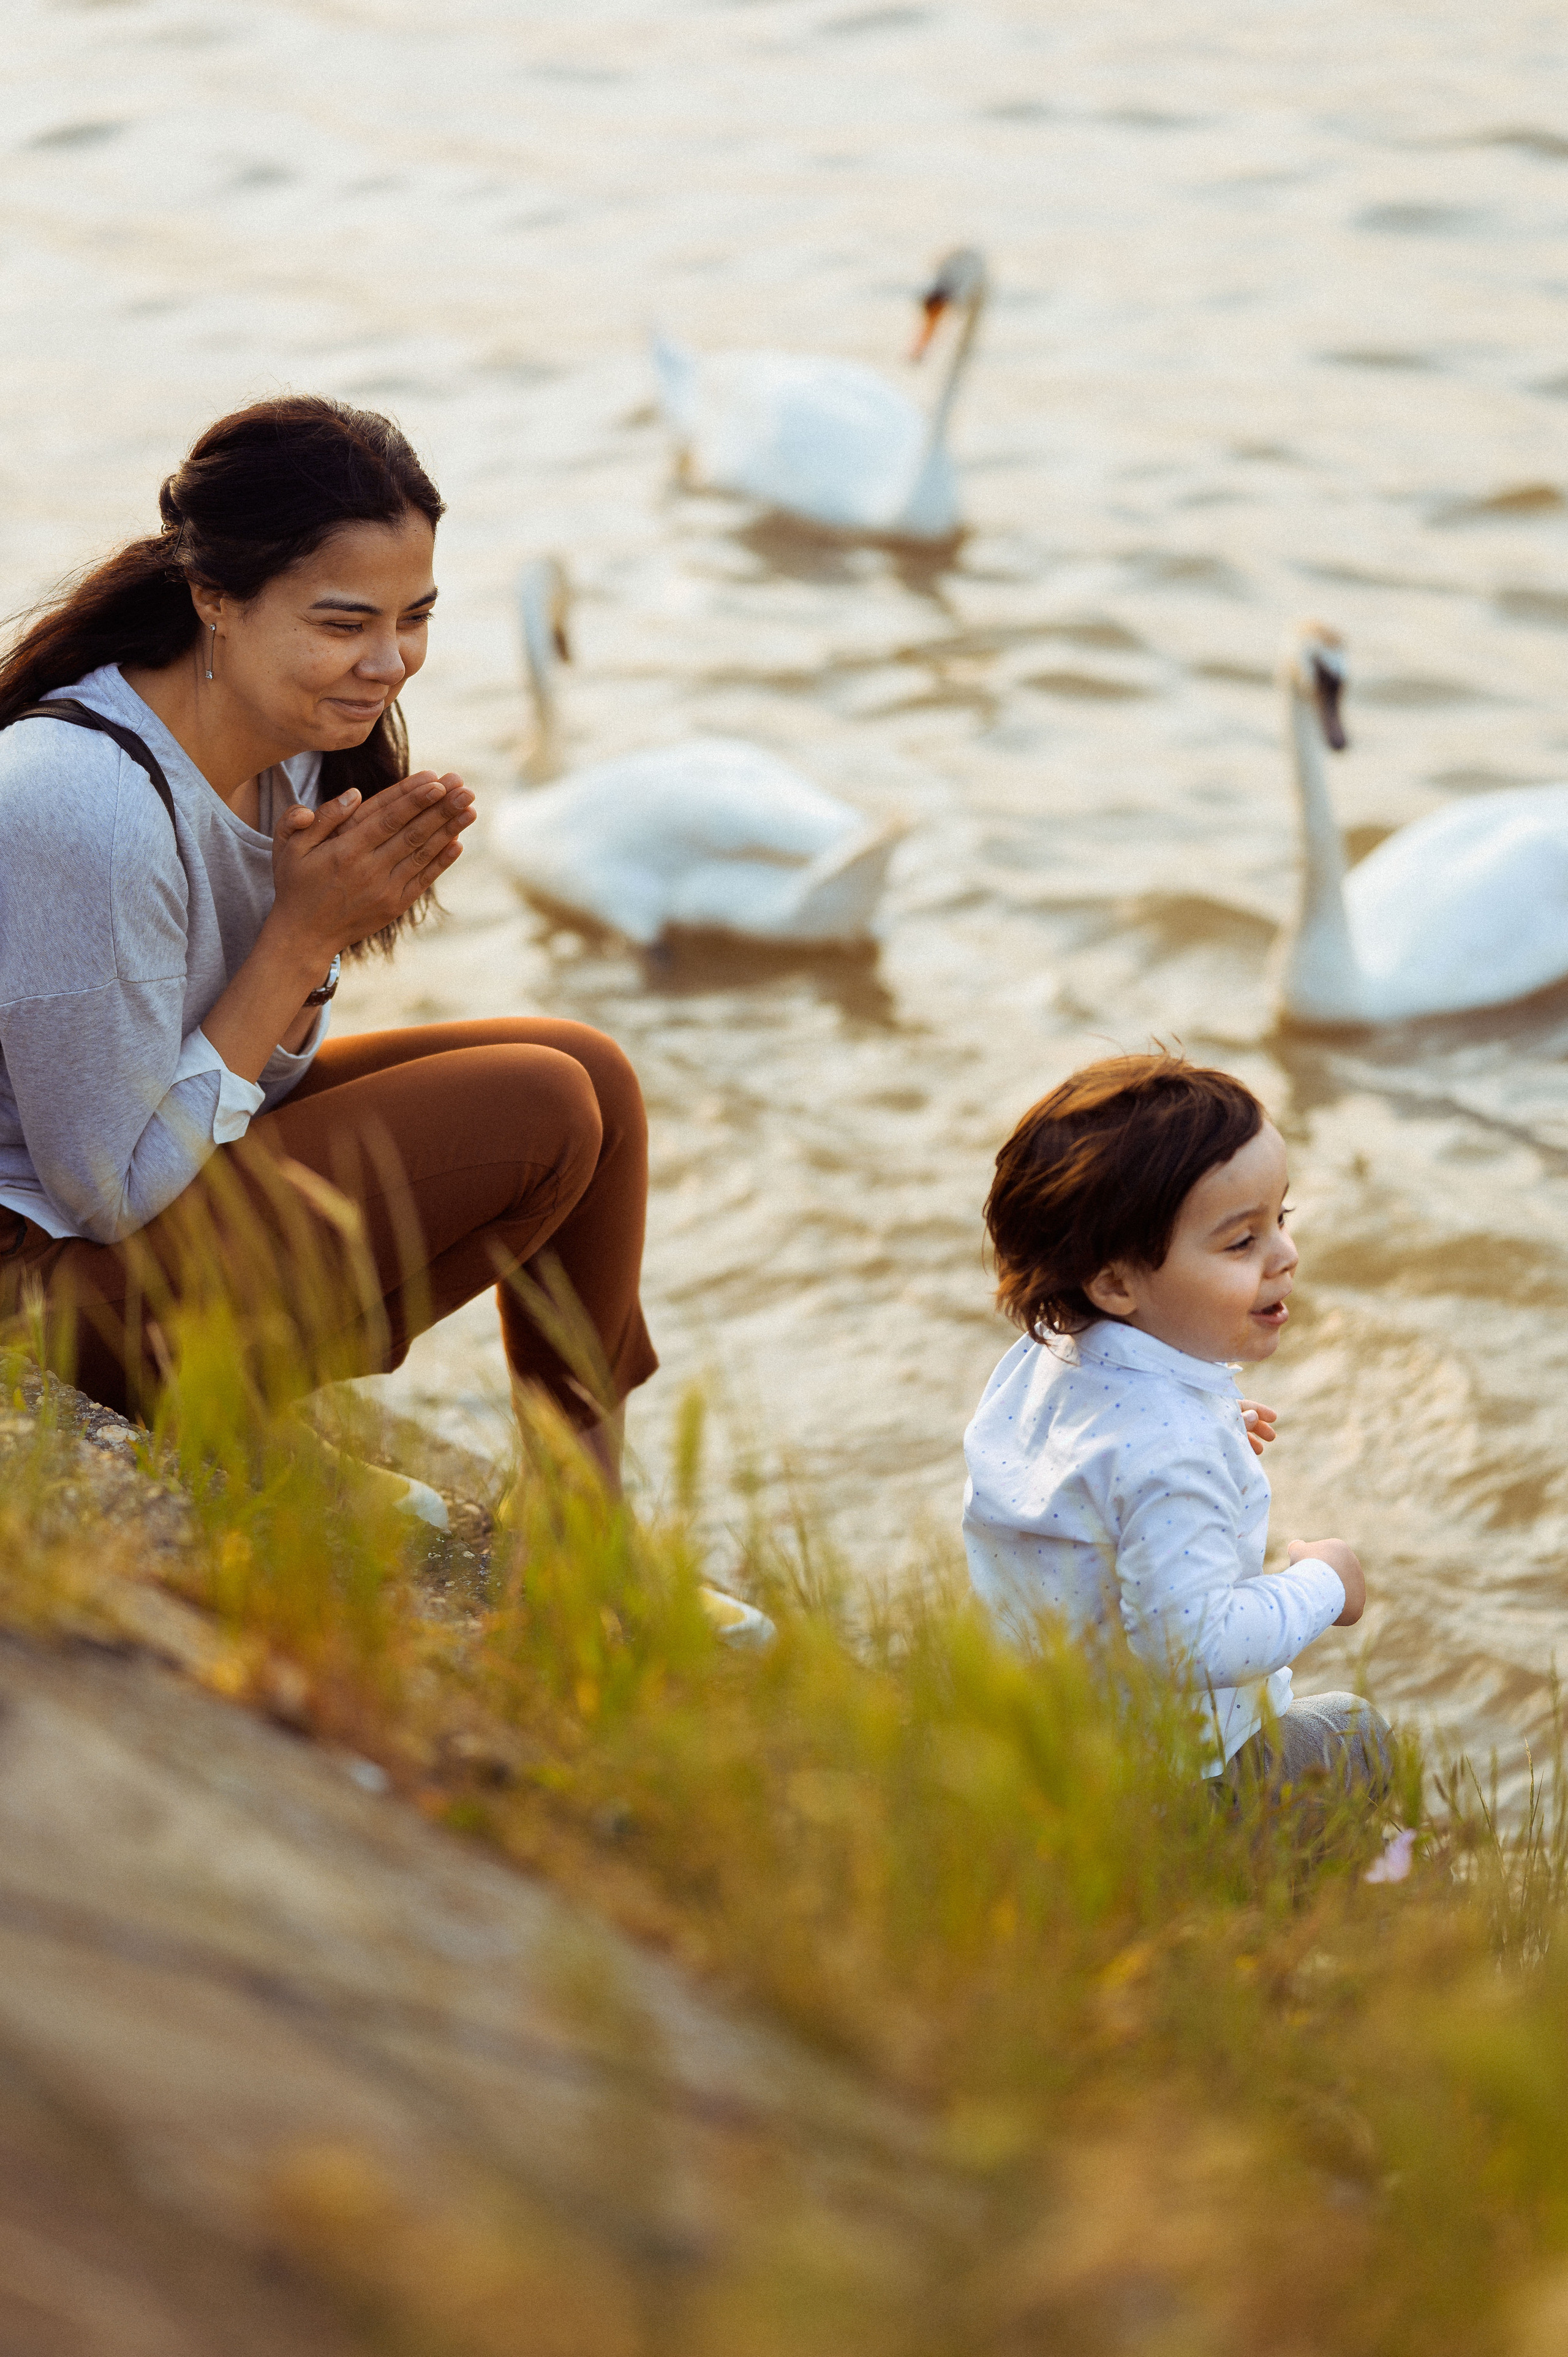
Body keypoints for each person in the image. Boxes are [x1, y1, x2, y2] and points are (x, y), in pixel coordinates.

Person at [0, 395, 657, 1488]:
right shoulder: (80, 802)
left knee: (596, 1072)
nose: (391, 662)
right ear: (214, 598)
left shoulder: (286, 745)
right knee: (538, 1108)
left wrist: (320, 938)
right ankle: (212, 1404)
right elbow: (102, 1191)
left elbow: (263, 1070)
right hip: (42, 1279)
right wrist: (304, 938)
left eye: (417, 617)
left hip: (150, 1191)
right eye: (345, 624)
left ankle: (584, 1518)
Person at [962, 1051, 1390, 1793]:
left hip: (1037, 1737)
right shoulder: (1168, 1448)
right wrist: (1323, 1581)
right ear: (1117, 1281)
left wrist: (1208, 1423)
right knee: (1360, 1736)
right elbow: (1191, 1643)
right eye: (1240, 1240)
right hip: (1160, 1787)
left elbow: (1090, 1469)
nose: (1284, 1254)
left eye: (1279, 1218)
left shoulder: (1052, 1357)